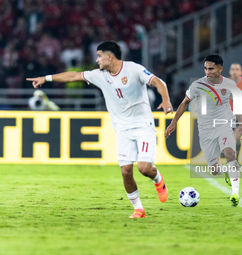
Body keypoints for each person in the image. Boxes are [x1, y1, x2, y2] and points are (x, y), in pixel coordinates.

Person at [27, 41, 173, 218]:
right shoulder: (99, 75)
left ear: (109, 56)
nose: (96, 60)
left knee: (144, 168)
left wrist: (165, 100)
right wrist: (46, 78)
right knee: (126, 172)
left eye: (99, 56)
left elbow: (158, 82)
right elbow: (73, 76)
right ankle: (139, 209)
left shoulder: (133, 69)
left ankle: (157, 179)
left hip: (143, 126)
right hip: (122, 129)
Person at [164, 55, 242, 207]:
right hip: (206, 130)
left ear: (220, 69)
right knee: (214, 170)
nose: (207, 72)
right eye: (205, 68)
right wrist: (173, 122)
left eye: (211, 69)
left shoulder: (230, 85)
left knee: (230, 154)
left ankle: (235, 193)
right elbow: (184, 103)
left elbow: (238, 104)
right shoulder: (197, 85)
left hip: (224, 126)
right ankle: (226, 171)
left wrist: (241, 125)